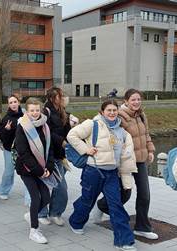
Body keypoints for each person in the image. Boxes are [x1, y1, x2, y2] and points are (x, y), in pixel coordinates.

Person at [67, 99, 137, 251]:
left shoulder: (123, 133)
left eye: (114, 110)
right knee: (87, 200)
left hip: (112, 174)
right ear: (102, 112)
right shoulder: (93, 124)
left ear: (117, 111)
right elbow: (72, 135)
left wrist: (126, 182)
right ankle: (76, 221)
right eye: (109, 110)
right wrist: (86, 149)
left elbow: (125, 159)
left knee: (116, 205)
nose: (112, 113)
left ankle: (123, 240)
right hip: (93, 171)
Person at [95, 89, 158, 240]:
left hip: (141, 160)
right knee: (125, 194)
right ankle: (102, 205)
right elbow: (105, 124)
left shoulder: (141, 115)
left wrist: (150, 150)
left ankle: (142, 227)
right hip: (125, 161)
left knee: (144, 194)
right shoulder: (120, 115)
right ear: (126, 101)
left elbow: (146, 134)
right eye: (133, 100)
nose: (136, 102)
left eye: (138, 99)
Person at [15, 98, 55, 244]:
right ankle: (34, 230)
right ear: (27, 111)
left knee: (46, 197)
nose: (35, 113)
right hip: (27, 169)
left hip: (42, 168)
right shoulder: (22, 127)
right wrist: (39, 170)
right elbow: (23, 152)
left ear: (41, 110)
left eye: (37, 110)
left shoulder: (45, 126)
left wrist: (49, 167)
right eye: (32, 110)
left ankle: (31, 215)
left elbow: (49, 148)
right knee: (36, 198)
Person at [38, 87, 70, 226]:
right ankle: (42, 213)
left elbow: (66, 131)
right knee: (55, 186)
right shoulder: (46, 111)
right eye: (60, 96)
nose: (63, 98)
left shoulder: (62, 111)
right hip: (49, 155)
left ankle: (54, 213)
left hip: (60, 155)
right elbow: (47, 131)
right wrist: (61, 141)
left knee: (58, 187)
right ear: (52, 98)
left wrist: (71, 124)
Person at [0, 95, 24, 200]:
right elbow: (2, 136)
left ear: (18, 102)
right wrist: (6, 130)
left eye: (15, 102)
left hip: (23, 149)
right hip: (10, 149)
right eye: (11, 102)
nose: (13, 104)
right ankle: (3, 190)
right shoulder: (7, 118)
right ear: (8, 105)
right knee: (9, 171)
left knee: (26, 171)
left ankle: (29, 192)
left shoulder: (24, 116)